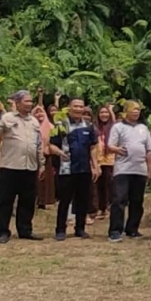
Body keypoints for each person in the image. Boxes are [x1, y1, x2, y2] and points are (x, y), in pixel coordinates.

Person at [0, 90, 46, 243]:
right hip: (10, 167)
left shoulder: (33, 121)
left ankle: (25, 230)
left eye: (31, 101)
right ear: (17, 103)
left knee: (27, 201)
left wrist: (42, 164)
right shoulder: (7, 118)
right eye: (26, 101)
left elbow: (38, 144)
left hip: (30, 167)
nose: (30, 104)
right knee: (5, 201)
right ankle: (3, 232)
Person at [48, 98, 100, 241]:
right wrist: (59, 153)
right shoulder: (60, 125)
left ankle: (80, 229)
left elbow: (93, 147)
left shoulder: (88, 126)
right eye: (75, 106)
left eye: (81, 106)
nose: (78, 109)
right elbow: (51, 145)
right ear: (69, 108)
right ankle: (60, 230)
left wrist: (95, 165)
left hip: (84, 169)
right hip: (66, 169)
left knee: (83, 200)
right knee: (65, 200)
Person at [106, 101, 151, 242]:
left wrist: (150, 169)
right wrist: (117, 149)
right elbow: (110, 145)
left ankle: (132, 229)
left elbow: (149, 150)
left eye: (138, 109)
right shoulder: (118, 127)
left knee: (137, 201)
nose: (136, 112)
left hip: (140, 169)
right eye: (133, 109)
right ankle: (115, 231)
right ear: (126, 111)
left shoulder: (143, 128)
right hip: (123, 169)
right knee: (119, 200)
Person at [92, 104, 116, 220]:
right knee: (98, 186)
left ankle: (106, 208)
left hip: (110, 160)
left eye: (106, 113)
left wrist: (111, 110)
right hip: (98, 160)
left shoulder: (113, 127)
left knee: (108, 186)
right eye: (102, 113)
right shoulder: (95, 127)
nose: (104, 115)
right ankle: (98, 209)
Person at [31, 105, 56, 209]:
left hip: (47, 156)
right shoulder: (30, 126)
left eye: (41, 112)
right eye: (36, 113)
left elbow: (54, 142)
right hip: (32, 156)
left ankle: (45, 200)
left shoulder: (51, 127)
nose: (39, 114)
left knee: (46, 179)